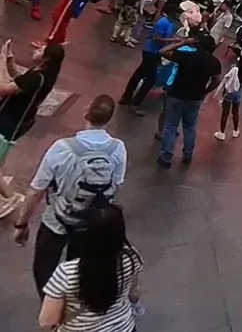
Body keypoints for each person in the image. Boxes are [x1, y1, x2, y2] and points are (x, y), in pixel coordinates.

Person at [15, 94, 127, 295]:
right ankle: (71, 304)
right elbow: (116, 186)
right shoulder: (117, 148)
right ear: (109, 119)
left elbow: (36, 191)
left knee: (44, 269)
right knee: (78, 272)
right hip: (91, 224)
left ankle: (49, 303)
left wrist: (22, 224)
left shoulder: (62, 148)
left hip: (57, 220)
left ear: (86, 113)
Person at [37, 203, 143, 332]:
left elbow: (47, 321)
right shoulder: (131, 258)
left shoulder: (66, 273)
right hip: (123, 327)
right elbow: (134, 294)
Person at [0, 40, 65, 215]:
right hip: (16, 119)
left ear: (46, 58)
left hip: (11, 122)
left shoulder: (36, 78)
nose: (36, 50)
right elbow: (19, 81)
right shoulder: (41, 74)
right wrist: (9, 61)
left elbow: (5, 89)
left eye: (41, 50)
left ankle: (9, 197)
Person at [157, 34, 223, 168]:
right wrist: (206, 91)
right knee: (190, 127)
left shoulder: (186, 56)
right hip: (195, 97)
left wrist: (182, 43)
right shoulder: (214, 62)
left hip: (176, 94)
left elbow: (163, 51)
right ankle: (187, 155)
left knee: (171, 126)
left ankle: (166, 157)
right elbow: (217, 80)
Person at [214, 44, 242, 141]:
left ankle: (222, 132)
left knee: (225, 112)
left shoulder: (235, 69)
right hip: (239, 93)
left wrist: (219, 92)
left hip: (229, 93)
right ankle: (235, 130)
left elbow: (225, 79)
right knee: (235, 111)